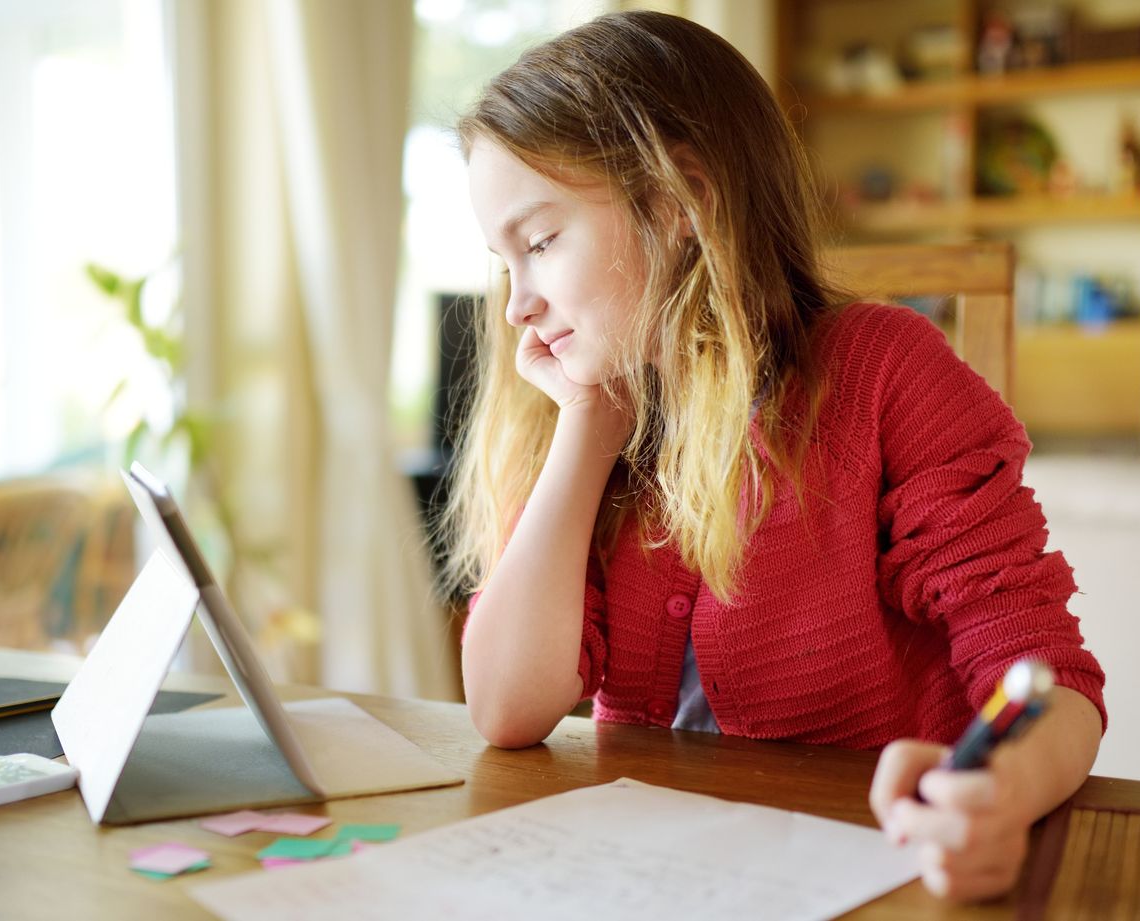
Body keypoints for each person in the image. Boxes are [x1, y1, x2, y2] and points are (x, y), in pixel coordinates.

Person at [442, 10, 1105, 903]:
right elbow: (505, 706)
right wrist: (587, 425)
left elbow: (1047, 675)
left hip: (866, 869)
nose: (516, 304)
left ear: (679, 202)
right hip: (654, 875)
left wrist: (1003, 795)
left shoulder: (885, 376)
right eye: (504, 261)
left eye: (540, 242)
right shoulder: (598, 408)